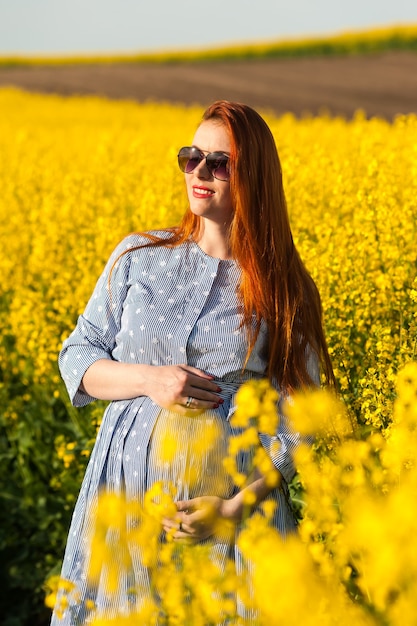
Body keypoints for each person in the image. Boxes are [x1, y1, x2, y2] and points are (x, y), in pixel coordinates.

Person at [51, 100, 334, 625]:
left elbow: (304, 418)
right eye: (191, 157)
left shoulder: (282, 287)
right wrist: (150, 379)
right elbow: (78, 354)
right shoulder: (138, 256)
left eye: (219, 162)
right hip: (125, 506)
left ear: (253, 176)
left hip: (233, 526)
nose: (200, 172)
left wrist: (235, 507)